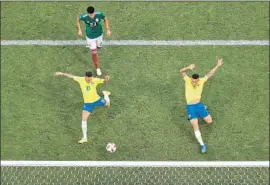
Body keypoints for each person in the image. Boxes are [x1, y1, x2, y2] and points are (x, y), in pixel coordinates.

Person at [179, 57, 223, 153]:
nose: (194, 82)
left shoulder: (201, 81)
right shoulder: (187, 80)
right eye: (193, 81)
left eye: (196, 81)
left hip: (199, 105)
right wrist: (188, 67)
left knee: (209, 121)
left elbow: (210, 74)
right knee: (195, 124)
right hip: (191, 107)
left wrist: (217, 66)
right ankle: (202, 144)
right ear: (191, 79)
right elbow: (181, 71)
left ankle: (203, 109)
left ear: (198, 80)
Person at [54, 71, 111, 144]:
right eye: (88, 79)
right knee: (84, 119)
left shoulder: (95, 80)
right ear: (85, 77)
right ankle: (85, 137)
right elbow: (71, 76)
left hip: (97, 100)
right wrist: (61, 73)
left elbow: (104, 81)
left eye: (90, 79)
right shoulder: (80, 79)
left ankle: (106, 94)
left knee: (108, 104)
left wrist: (106, 79)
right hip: (88, 104)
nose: (90, 80)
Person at [76, 6, 111, 76]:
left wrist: (108, 29)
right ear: (88, 13)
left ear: (94, 12)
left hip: (99, 34)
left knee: (99, 47)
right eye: (90, 15)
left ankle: (94, 46)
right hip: (90, 37)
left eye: (92, 14)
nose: (91, 16)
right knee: (94, 52)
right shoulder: (84, 16)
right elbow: (78, 19)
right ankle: (97, 68)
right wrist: (79, 29)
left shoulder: (99, 14)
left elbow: (105, 18)